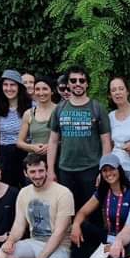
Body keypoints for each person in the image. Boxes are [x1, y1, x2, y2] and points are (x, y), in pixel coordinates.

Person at [0, 154, 75, 258]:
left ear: (47, 170)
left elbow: (59, 233)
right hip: (35, 242)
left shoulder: (63, 193)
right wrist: (11, 241)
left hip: (58, 246)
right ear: (25, 173)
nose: (37, 176)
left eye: (41, 171)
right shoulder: (24, 193)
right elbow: (19, 224)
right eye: (32, 172)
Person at [70, 153, 130, 258]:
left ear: (119, 169)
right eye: (104, 171)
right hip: (108, 237)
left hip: (128, 239)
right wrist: (76, 225)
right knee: (82, 227)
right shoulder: (103, 192)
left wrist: (120, 242)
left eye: (112, 169)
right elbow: (82, 212)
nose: (109, 173)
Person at [47, 67, 112, 209]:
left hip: (91, 169)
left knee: (92, 213)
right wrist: (50, 170)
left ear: (87, 84)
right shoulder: (59, 109)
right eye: (73, 80)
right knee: (68, 211)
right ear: (68, 84)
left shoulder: (97, 108)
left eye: (82, 80)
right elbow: (52, 141)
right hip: (65, 169)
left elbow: (106, 142)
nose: (78, 84)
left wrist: (103, 170)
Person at [0, 69, 33, 187]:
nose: (9, 88)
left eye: (12, 85)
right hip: (5, 155)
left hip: (26, 154)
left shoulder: (31, 106)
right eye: (5, 85)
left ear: (19, 87)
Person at [18, 75, 59, 166]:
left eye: (45, 89)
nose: (41, 93)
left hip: (57, 160)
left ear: (52, 91)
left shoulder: (60, 111)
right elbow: (20, 142)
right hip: (35, 163)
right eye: (37, 89)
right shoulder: (29, 113)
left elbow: (68, 139)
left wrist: (51, 146)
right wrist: (32, 147)